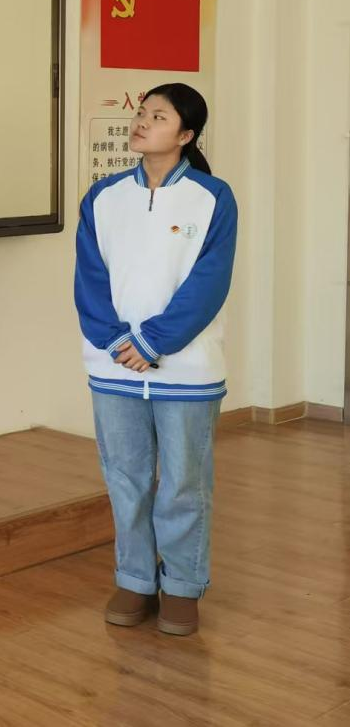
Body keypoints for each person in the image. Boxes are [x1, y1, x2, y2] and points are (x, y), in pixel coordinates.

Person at [74, 83, 237, 636]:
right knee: (126, 479)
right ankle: (135, 579)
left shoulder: (213, 198)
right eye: (142, 112)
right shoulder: (103, 197)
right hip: (113, 367)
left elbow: (208, 284)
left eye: (158, 116)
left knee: (184, 483)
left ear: (186, 134)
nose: (141, 122)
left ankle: (183, 586)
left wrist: (154, 343)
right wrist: (115, 341)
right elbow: (89, 279)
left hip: (187, 370)